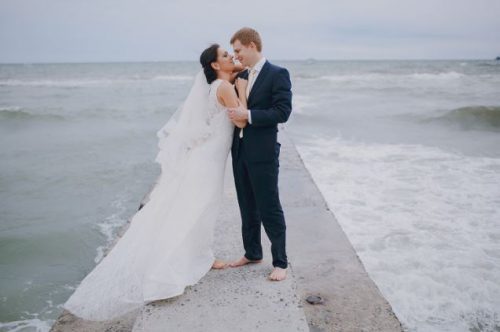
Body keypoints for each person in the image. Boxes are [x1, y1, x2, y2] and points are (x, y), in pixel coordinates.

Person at [62, 44, 247, 321]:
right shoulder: (224, 88)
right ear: (215, 66)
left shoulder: (217, 86)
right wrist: (242, 89)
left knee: (201, 209)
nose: (230, 57)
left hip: (207, 157)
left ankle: (202, 256)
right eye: (225, 55)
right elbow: (242, 122)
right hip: (207, 161)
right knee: (198, 209)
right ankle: (166, 273)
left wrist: (236, 79)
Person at [226, 27, 293, 281]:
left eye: (238, 50)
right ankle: (253, 252)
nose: (236, 55)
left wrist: (249, 116)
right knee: (246, 204)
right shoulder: (240, 74)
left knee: (269, 206)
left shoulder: (278, 74)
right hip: (240, 150)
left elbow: (282, 112)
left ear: (252, 45)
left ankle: (280, 262)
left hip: (263, 153)